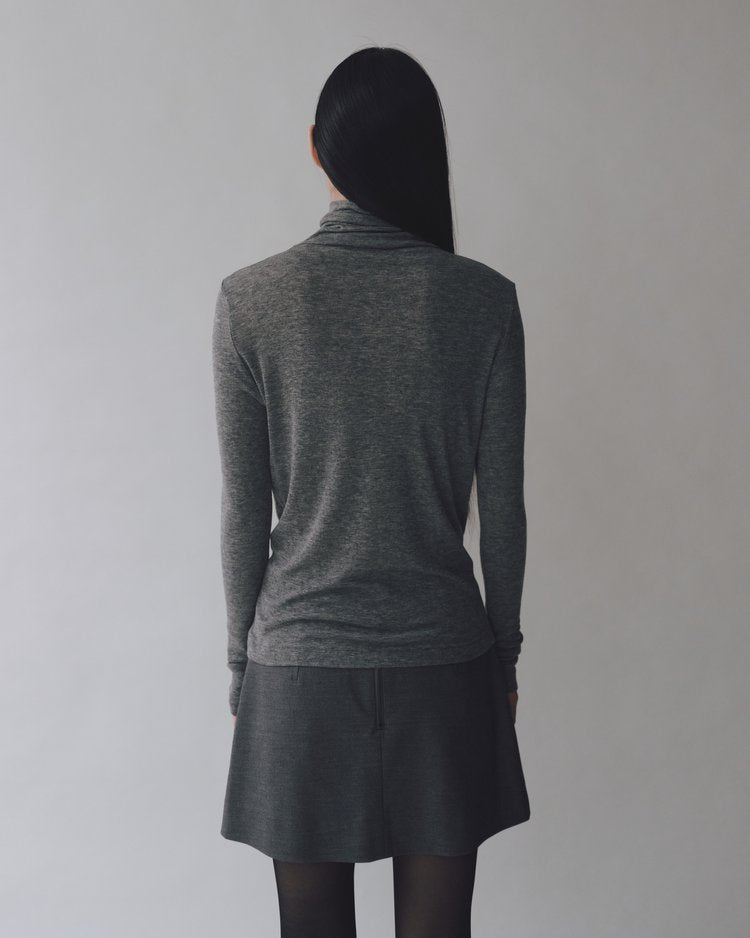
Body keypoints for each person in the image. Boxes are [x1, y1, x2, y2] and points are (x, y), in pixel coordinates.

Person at [213, 45, 530, 938]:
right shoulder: (483, 301)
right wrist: (504, 657)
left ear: (317, 146)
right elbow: (504, 509)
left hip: (299, 672)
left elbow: (244, 511)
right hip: (444, 667)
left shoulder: (251, 301)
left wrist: (242, 665)